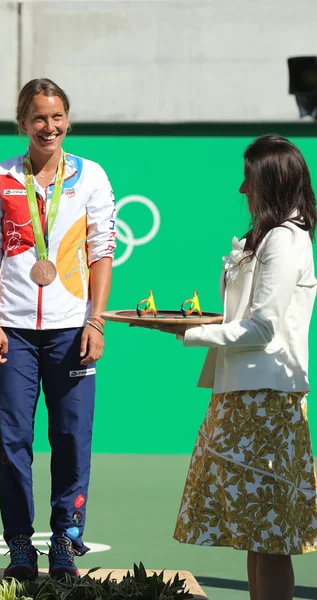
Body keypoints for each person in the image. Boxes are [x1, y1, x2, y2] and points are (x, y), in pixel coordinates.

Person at [0, 78, 116, 581]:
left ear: (68, 120)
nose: (48, 127)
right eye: (38, 118)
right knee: (12, 443)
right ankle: (19, 548)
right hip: (13, 331)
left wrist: (95, 320)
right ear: (22, 123)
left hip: (71, 331)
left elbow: (101, 253)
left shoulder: (91, 176)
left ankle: (63, 542)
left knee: (72, 438)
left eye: (56, 117)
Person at [166, 135, 317, 600]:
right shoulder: (267, 238)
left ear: (271, 181)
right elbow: (244, 319)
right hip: (240, 397)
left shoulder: (285, 240)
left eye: (248, 179)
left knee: (270, 540)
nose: (241, 189)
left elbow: (263, 329)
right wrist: (198, 323)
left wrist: (189, 333)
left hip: (267, 401)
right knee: (256, 536)